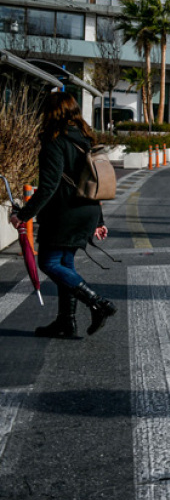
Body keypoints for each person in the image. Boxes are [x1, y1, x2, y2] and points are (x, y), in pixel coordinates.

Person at [9, 92, 115, 338]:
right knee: (65, 264)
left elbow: (48, 186)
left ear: (50, 113)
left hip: (65, 213)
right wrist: (98, 220)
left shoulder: (54, 140)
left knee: (49, 262)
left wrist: (22, 215)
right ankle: (66, 322)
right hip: (87, 209)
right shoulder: (84, 138)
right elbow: (92, 181)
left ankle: (97, 302)